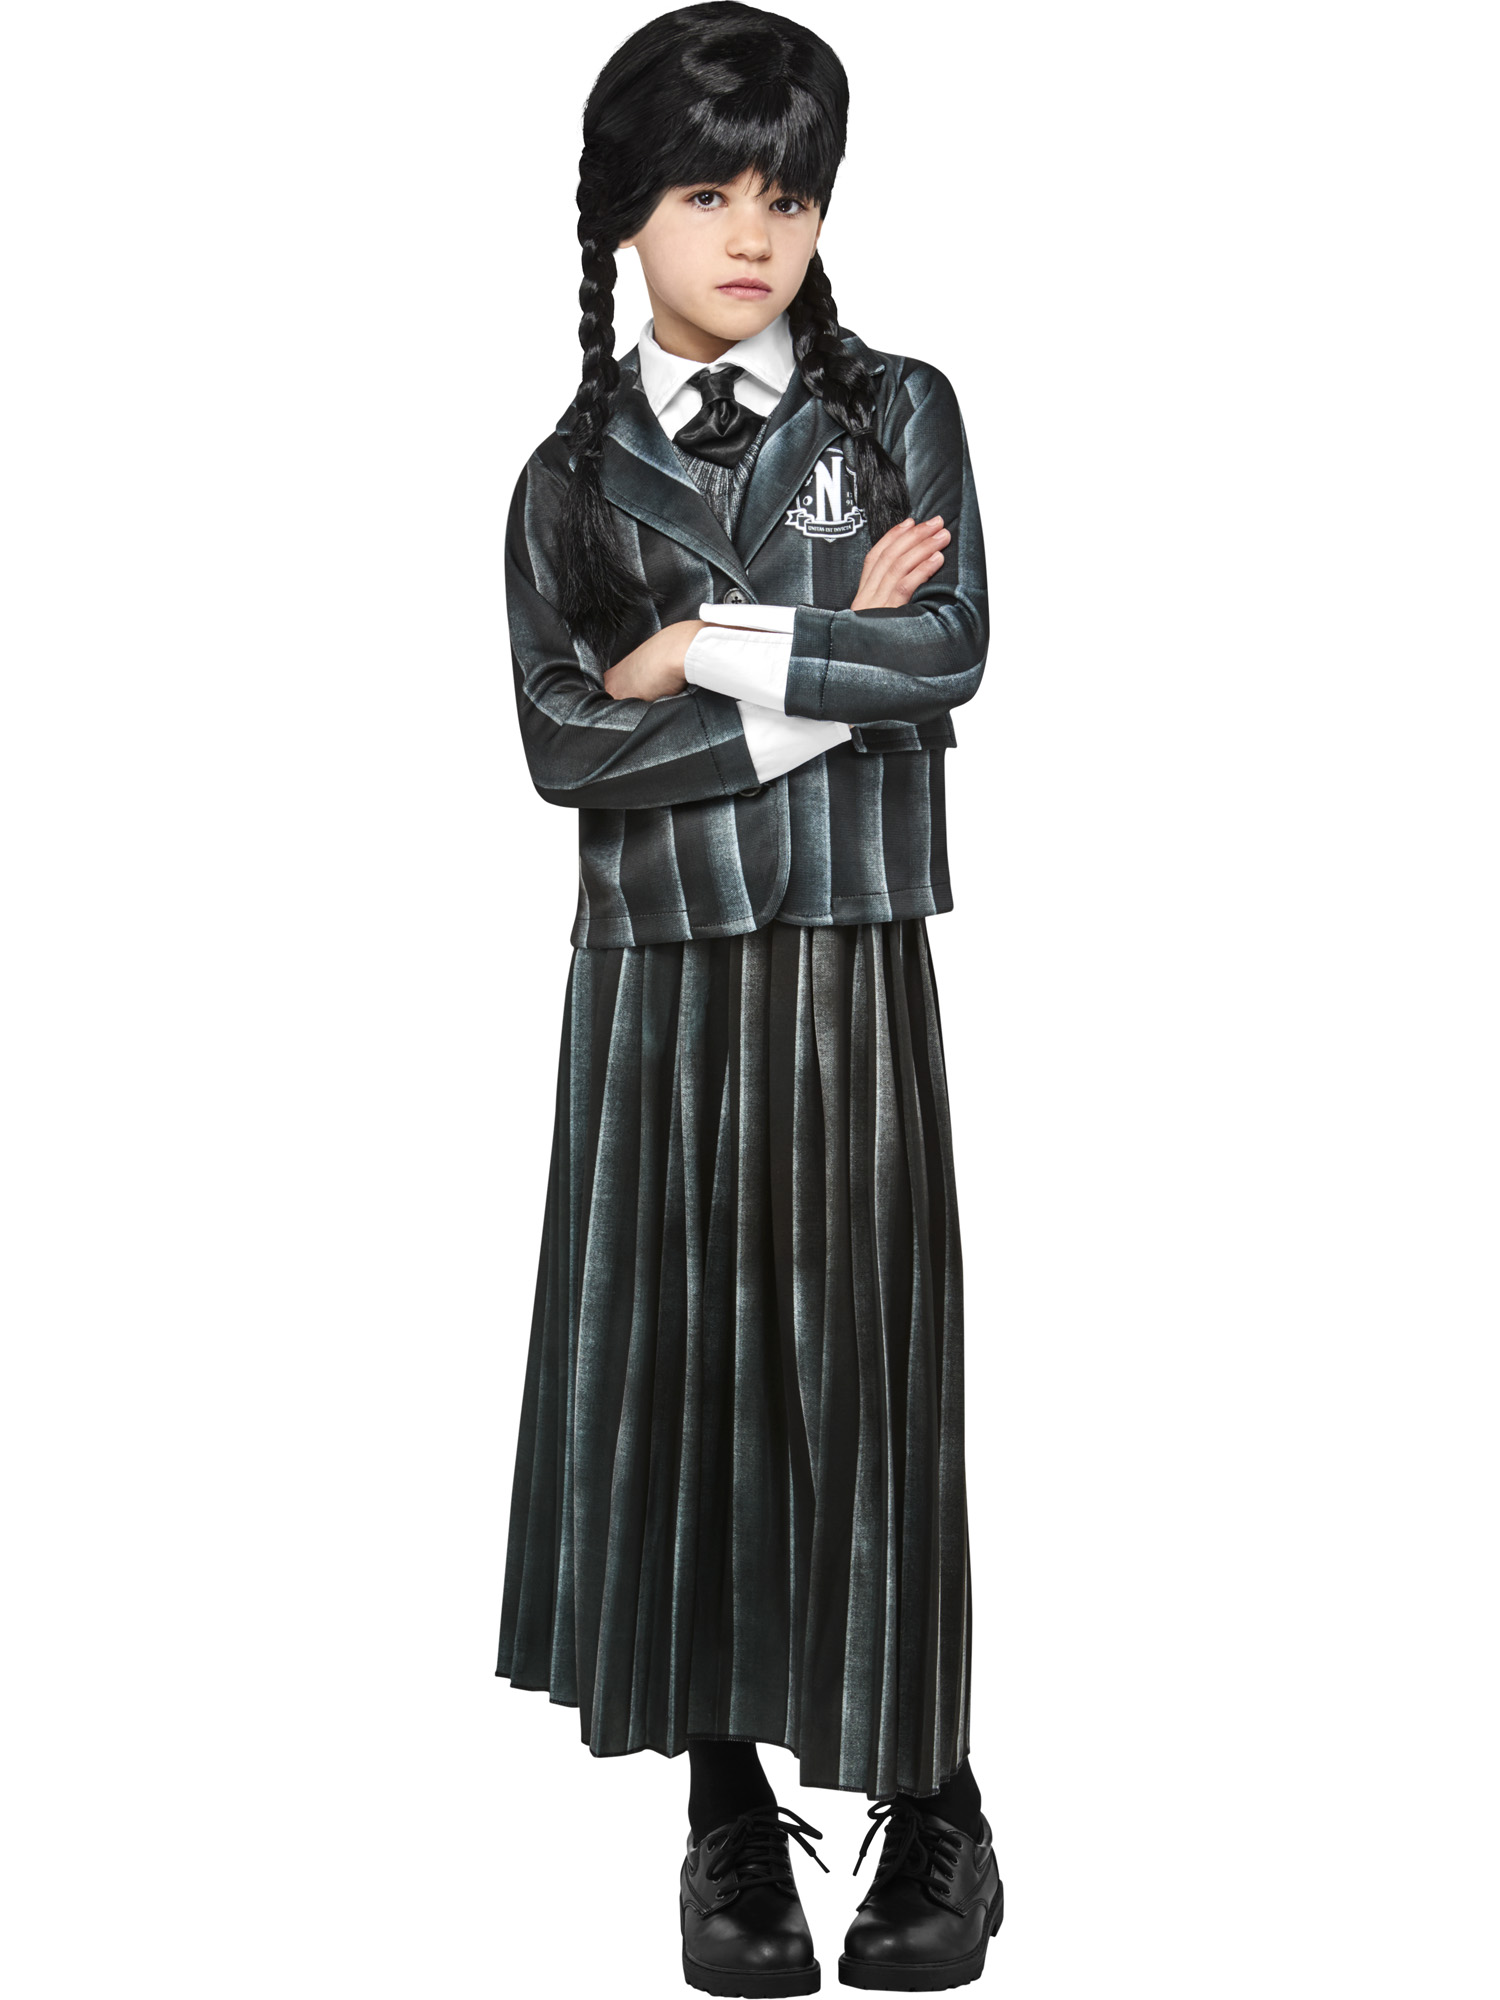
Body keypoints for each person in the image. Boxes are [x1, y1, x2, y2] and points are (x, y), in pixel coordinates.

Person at [494, 5, 1001, 1989]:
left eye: (786, 195)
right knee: (681, 1379)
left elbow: (948, 651)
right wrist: (813, 658)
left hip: (847, 954)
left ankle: (935, 1802)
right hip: (654, 975)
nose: (752, 234)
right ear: (627, 213)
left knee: (870, 1366)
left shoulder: (898, 414)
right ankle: (725, 1815)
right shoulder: (565, 480)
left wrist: (696, 647)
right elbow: (564, 750)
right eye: (708, 193)